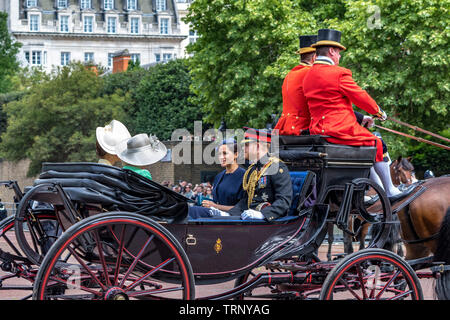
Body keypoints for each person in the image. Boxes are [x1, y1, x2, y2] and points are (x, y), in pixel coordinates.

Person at [303, 28, 403, 200]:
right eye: (339, 53)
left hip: (318, 128)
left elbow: (329, 102)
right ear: (332, 51)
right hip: (339, 128)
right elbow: (360, 96)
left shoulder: (308, 75)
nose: (340, 57)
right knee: (376, 143)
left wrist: (361, 118)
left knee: (367, 147)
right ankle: (390, 189)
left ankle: (375, 189)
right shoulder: (338, 73)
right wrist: (378, 112)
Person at [222, 128, 293, 221]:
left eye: (246, 145)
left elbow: (284, 201)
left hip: (268, 223)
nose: (243, 148)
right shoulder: (253, 169)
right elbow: (245, 201)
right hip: (250, 219)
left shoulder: (276, 167)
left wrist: (263, 214)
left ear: (258, 146)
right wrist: (228, 214)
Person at [188, 139, 246, 219]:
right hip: (216, 213)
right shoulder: (219, 176)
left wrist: (215, 206)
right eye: (219, 154)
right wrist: (209, 204)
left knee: (193, 211)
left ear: (235, 154)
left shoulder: (244, 176)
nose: (221, 157)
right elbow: (216, 201)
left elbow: (241, 209)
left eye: (225, 153)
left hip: (233, 217)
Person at [274, 35, 317, 135]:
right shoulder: (311, 73)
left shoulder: (290, 74)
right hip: (302, 129)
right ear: (315, 58)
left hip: (284, 127)